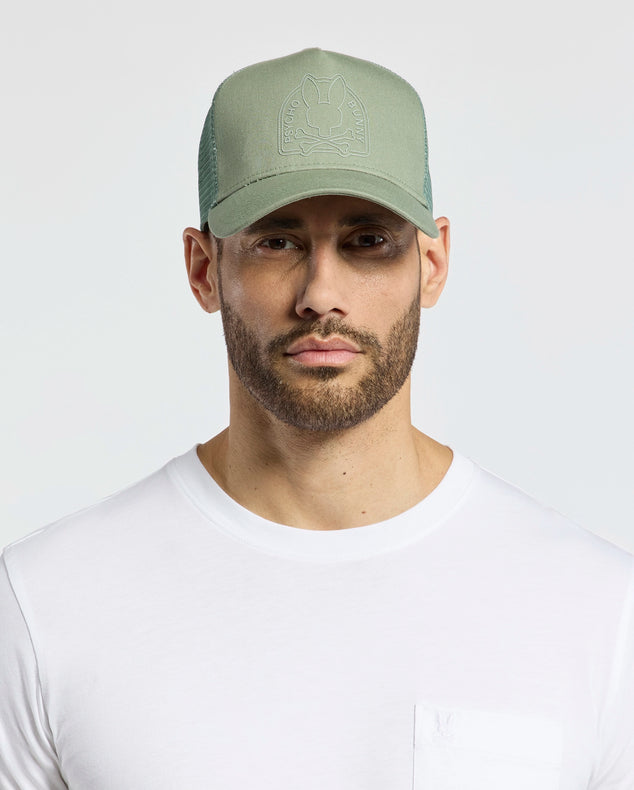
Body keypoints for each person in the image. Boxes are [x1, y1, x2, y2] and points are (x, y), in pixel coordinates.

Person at [1, 47, 632, 790]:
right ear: (204, 269)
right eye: (277, 241)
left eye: (368, 242)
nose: (321, 294)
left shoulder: (597, 611)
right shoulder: (45, 604)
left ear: (432, 265)